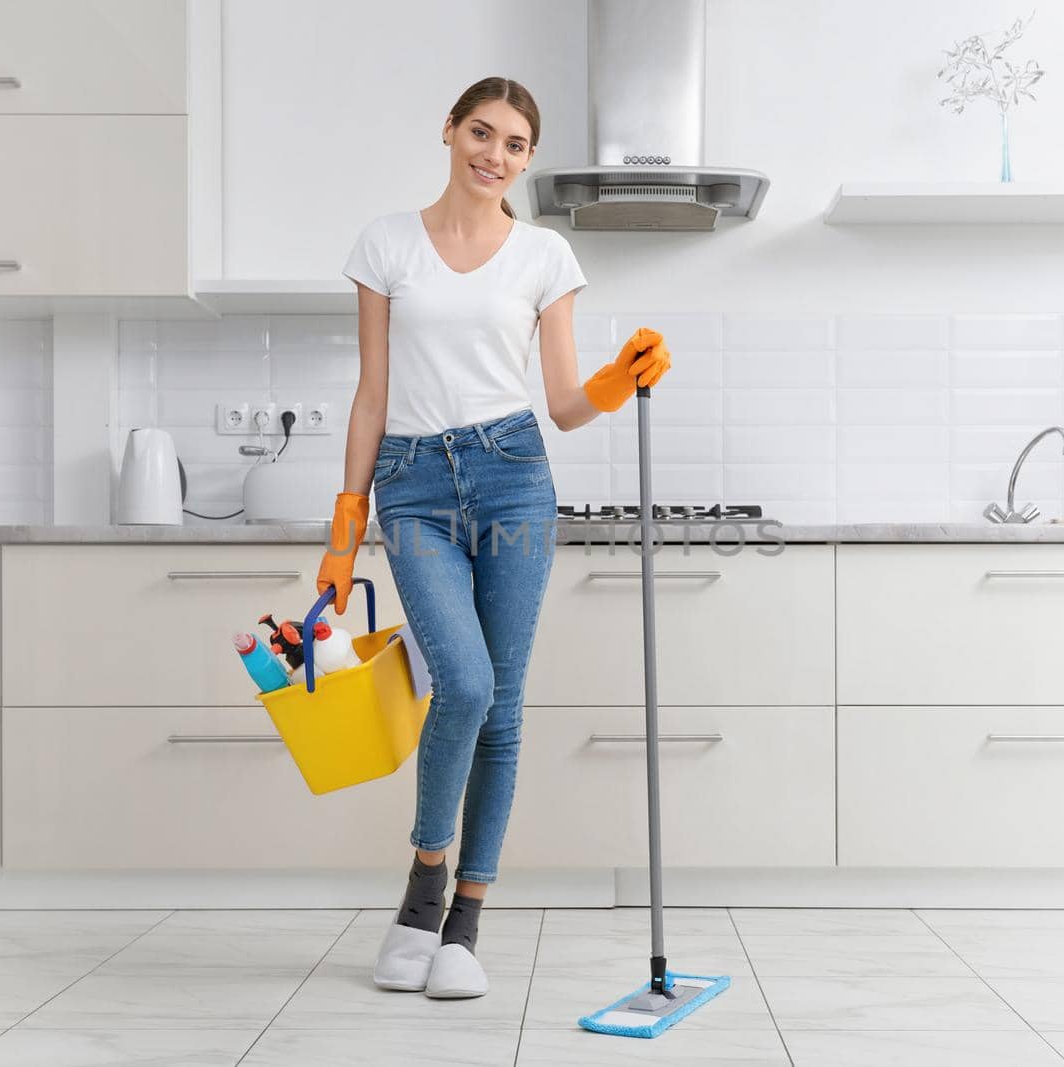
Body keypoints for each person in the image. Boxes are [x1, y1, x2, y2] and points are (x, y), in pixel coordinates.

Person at [320, 76, 671, 1000]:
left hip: (515, 477)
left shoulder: (545, 255)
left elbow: (559, 403)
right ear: (449, 131)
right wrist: (344, 527)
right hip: (412, 484)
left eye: (516, 144)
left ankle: (464, 923)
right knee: (463, 684)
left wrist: (617, 378)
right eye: (483, 133)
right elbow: (370, 392)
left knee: (501, 707)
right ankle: (423, 883)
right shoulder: (387, 244)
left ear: (526, 158)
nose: (496, 155)